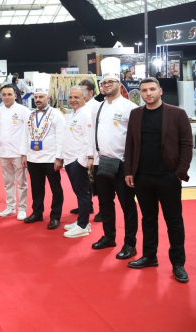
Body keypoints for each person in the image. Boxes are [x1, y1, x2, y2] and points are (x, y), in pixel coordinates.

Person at [124, 77, 193, 283]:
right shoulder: (136, 114)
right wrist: (129, 171)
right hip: (142, 177)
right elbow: (130, 144)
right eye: (144, 90)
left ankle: (178, 263)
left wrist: (179, 173)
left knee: (174, 221)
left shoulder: (177, 113)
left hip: (168, 176)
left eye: (152, 89)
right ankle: (149, 256)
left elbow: (186, 144)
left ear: (160, 91)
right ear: (140, 93)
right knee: (148, 219)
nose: (148, 93)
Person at [91, 57, 138, 260]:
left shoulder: (129, 107)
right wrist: (92, 159)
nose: (107, 85)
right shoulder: (98, 107)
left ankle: (130, 243)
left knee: (127, 205)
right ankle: (109, 237)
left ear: (119, 83)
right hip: (102, 163)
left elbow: (135, 139)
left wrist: (131, 167)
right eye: (104, 82)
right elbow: (93, 135)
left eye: (111, 82)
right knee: (105, 203)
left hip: (122, 165)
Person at [24, 74, 65, 229]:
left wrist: (59, 158)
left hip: (50, 159)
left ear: (47, 97)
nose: (38, 100)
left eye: (41, 97)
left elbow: (61, 137)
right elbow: (26, 136)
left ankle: (55, 216)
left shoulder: (57, 115)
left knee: (56, 189)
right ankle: (37, 212)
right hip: (33, 158)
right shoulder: (31, 115)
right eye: (36, 97)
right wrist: (25, 155)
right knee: (36, 188)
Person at [62, 86, 95, 238]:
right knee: (79, 192)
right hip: (69, 159)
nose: (73, 100)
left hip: (78, 160)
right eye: (71, 97)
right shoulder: (74, 114)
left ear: (84, 98)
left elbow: (89, 139)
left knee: (83, 194)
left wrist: (83, 160)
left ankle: (82, 225)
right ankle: (84, 222)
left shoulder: (86, 115)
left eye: (76, 97)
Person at [0, 84, 29, 220]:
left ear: (15, 95)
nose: (6, 97)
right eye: (4, 95)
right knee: (8, 182)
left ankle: (22, 208)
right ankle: (10, 206)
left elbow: (28, 133)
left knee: (22, 182)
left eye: (9, 94)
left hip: (18, 153)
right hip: (3, 152)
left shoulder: (23, 111)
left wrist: (24, 153)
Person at [71, 78, 101, 221]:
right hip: (80, 152)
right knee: (84, 183)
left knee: (97, 183)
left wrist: (90, 155)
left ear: (90, 92)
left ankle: (102, 209)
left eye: (83, 91)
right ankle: (86, 205)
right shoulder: (77, 109)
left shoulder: (96, 106)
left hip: (95, 151)